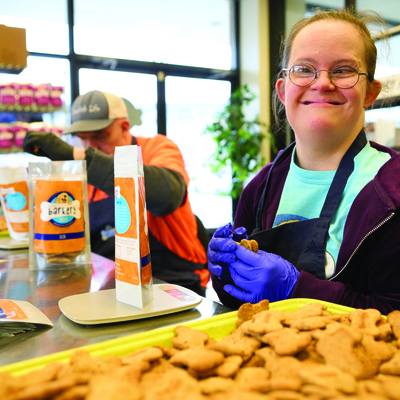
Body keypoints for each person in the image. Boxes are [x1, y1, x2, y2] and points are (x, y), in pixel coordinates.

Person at [208, 8, 400, 315]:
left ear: (370, 94)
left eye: (343, 70)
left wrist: (297, 290)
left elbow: (394, 315)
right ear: (284, 91)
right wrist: (226, 272)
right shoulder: (260, 188)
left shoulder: (391, 194)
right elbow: (238, 304)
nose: (322, 83)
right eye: (304, 69)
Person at [23, 90, 209, 296]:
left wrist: (75, 155)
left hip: (173, 284)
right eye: (83, 139)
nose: (91, 147)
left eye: (100, 136)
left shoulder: (157, 148)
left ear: (124, 127)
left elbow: (168, 194)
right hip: (110, 285)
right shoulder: (86, 176)